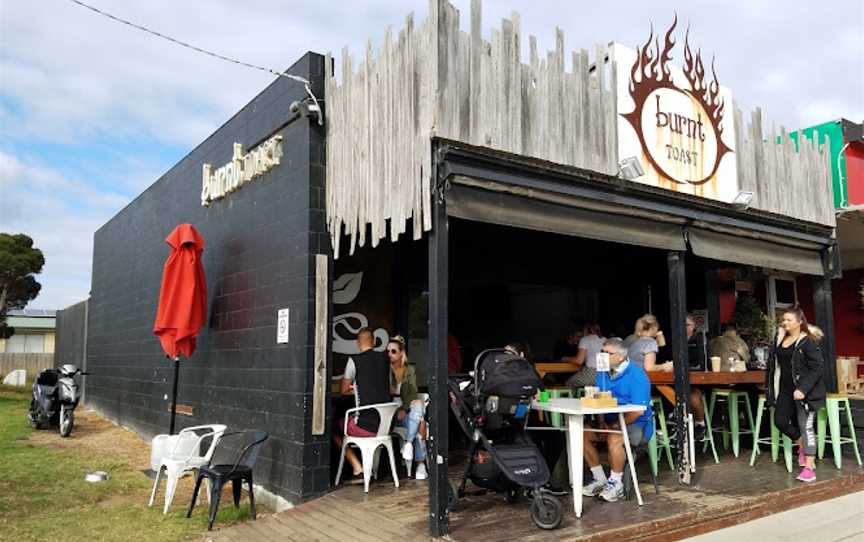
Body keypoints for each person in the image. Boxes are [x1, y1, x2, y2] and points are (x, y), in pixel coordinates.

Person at [582, 338, 654, 502]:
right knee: (583, 433)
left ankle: (616, 483)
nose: (603, 356)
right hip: (610, 422)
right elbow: (599, 398)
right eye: (602, 352)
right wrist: (601, 423)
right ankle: (599, 478)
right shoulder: (602, 372)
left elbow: (636, 412)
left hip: (637, 425)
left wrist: (613, 425)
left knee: (614, 437)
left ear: (621, 357)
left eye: (608, 353)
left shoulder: (637, 375)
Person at [766, 306, 826, 483]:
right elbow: (774, 366)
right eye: (783, 320)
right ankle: (802, 445)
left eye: (789, 320)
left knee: (805, 426)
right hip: (784, 390)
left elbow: (817, 368)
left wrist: (803, 388)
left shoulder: (808, 341)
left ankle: (809, 468)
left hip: (804, 392)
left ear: (800, 322)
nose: (785, 323)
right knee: (780, 421)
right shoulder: (779, 339)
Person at [334, 328, 392, 480]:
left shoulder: (354, 360)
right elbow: (389, 387)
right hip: (385, 427)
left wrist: (357, 389)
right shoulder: (386, 359)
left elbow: (343, 390)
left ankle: (357, 466)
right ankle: (371, 468)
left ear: (358, 343)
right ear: (373, 342)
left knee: (333, 428)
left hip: (364, 426)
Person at [388, 335, 428, 480]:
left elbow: (412, 394)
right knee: (421, 423)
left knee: (419, 406)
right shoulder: (385, 370)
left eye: (393, 351)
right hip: (389, 414)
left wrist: (404, 409)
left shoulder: (409, 370)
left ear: (401, 353)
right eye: (388, 351)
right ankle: (420, 463)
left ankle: (409, 443)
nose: (389, 355)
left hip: (407, 412)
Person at [565, 323, 605, 389]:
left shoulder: (585, 339)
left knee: (569, 383)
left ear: (588, 330)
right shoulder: (605, 339)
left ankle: (574, 399)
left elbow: (579, 361)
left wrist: (566, 359)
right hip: (605, 375)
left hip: (592, 373)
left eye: (583, 331)